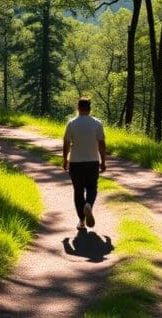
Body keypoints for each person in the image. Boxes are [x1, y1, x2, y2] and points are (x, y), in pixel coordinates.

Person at [62, 96, 106, 230]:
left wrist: (65, 159)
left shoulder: (72, 123)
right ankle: (89, 205)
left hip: (75, 163)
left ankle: (81, 221)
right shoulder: (97, 123)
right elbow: (102, 144)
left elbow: (66, 143)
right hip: (92, 162)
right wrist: (103, 161)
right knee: (92, 188)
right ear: (89, 109)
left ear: (78, 108)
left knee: (78, 191)